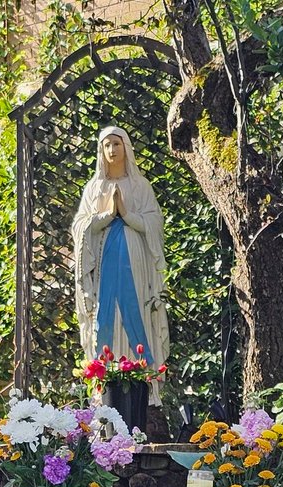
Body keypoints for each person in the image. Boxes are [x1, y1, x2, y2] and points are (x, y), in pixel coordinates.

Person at [72, 125, 170, 411]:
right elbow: (81, 227)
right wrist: (105, 216)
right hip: (105, 264)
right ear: (101, 152)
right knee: (106, 316)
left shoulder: (140, 187)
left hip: (135, 262)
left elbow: (155, 224)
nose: (112, 150)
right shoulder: (95, 188)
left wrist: (126, 215)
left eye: (116, 143)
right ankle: (105, 384)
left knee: (136, 311)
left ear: (126, 147)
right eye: (106, 145)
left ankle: (144, 386)